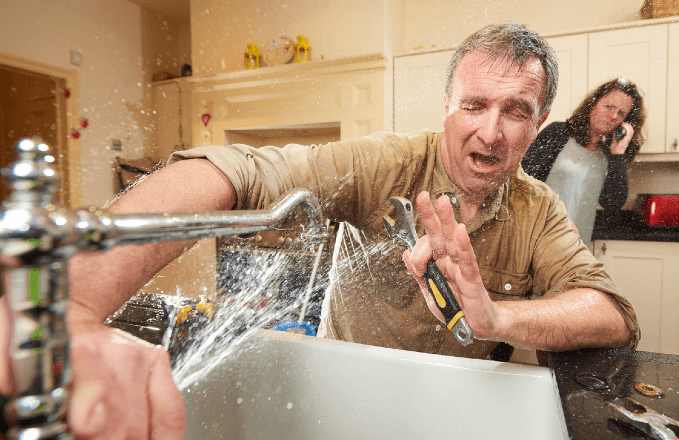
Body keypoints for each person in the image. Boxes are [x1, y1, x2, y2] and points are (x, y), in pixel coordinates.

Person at [3, 22, 639, 440]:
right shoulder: (385, 164)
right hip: (344, 397)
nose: (491, 132)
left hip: (455, 410)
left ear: (541, 121)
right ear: (447, 105)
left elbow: (610, 312)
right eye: (474, 105)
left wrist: (496, 318)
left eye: (515, 112)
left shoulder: (538, 209)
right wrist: (76, 308)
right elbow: (237, 171)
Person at [521, 78, 646, 244]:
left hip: (577, 247)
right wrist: (554, 220)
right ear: (593, 104)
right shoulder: (558, 133)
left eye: (621, 113)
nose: (614, 116)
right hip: (537, 240)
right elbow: (522, 183)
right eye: (609, 107)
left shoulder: (608, 155)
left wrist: (618, 153)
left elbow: (613, 203)